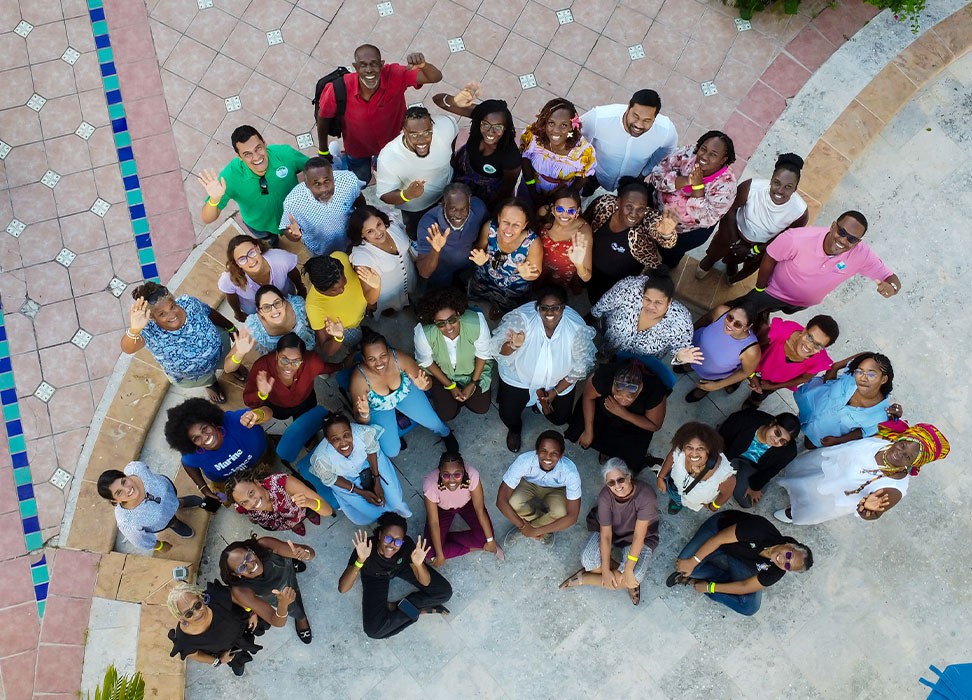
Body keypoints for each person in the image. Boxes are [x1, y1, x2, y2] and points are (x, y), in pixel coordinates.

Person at [775, 422, 949, 524]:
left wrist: (869, 510)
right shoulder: (887, 439)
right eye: (902, 445)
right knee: (801, 475)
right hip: (825, 465)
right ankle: (790, 479)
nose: (900, 453)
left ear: (914, 463)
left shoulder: (895, 488)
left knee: (811, 501)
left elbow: (875, 510)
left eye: (908, 456)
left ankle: (794, 512)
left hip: (831, 496)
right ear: (900, 439)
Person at [490, 286, 596, 453]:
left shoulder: (576, 328)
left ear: (564, 307)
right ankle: (515, 429)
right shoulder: (522, 319)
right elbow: (501, 352)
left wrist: (555, 391)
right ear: (537, 307)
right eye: (544, 308)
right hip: (520, 377)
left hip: (557, 381)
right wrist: (513, 345)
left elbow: (578, 369)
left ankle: (538, 405)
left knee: (561, 418)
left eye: (556, 307)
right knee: (508, 414)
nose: (549, 312)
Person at [316, 45, 442, 184]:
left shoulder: (395, 74)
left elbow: (435, 77)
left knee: (387, 172)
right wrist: (323, 151)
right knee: (361, 179)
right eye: (363, 65)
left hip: (392, 145)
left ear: (382, 64)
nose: (369, 70)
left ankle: (377, 165)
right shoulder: (338, 89)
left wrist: (424, 66)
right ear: (355, 67)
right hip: (357, 149)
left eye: (374, 64)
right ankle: (340, 162)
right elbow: (323, 118)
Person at [742, 210, 902, 314]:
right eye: (842, 232)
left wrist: (892, 287)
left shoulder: (861, 254)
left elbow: (889, 277)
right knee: (743, 311)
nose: (844, 240)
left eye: (852, 239)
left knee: (772, 311)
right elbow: (770, 256)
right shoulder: (796, 238)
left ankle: (767, 313)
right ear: (833, 226)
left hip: (801, 304)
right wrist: (760, 287)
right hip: (773, 292)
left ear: (858, 242)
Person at [667, 511, 813, 616]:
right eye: (789, 555)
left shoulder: (776, 571)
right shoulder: (761, 529)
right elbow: (719, 539)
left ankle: (709, 581)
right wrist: (694, 561)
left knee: (750, 607)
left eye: (788, 565)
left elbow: (745, 587)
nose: (783, 560)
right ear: (789, 544)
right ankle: (711, 576)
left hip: (739, 558)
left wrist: (710, 587)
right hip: (718, 532)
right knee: (685, 566)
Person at [558, 459, 658, 606]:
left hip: (639, 538)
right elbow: (606, 535)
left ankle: (585, 578)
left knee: (635, 576)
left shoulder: (646, 496)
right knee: (588, 560)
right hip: (614, 531)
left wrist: (629, 569)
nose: (617, 486)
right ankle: (620, 577)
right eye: (611, 483)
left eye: (620, 479)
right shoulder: (605, 496)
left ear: (629, 477)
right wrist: (605, 570)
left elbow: (638, 536)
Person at [696, 152, 808, 284]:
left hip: (761, 245)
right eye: (777, 183)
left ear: (795, 188)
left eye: (788, 187)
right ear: (771, 179)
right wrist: (735, 242)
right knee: (717, 250)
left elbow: (784, 239)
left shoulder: (800, 212)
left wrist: (753, 250)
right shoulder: (751, 187)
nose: (780, 191)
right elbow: (730, 210)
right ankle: (711, 260)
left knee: (748, 263)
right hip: (734, 231)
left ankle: (731, 266)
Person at [338, 512, 453, 639]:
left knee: (444, 592)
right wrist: (360, 560)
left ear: (402, 542)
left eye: (398, 542)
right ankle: (418, 610)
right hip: (374, 577)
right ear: (380, 535)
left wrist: (419, 565)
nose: (392, 544)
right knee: (374, 631)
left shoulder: (406, 546)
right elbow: (343, 588)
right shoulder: (365, 548)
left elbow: (425, 582)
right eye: (388, 538)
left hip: (400, 567)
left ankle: (401, 606)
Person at [349, 328, 458, 458]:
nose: (379, 363)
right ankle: (393, 435)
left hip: (405, 393)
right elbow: (360, 419)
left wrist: (424, 386)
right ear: (364, 359)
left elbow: (427, 382)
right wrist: (364, 413)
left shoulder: (398, 358)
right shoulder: (359, 380)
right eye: (371, 359)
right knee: (392, 451)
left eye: (383, 356)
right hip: (379, 408)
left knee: (435, 424)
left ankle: (446, 434)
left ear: (389, 352)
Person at [121, 282, 236, 404]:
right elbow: (127, 348)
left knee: (232, 362)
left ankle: (234, 369)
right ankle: (211, 384)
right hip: (193, 375)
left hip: (220, 350)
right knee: (207, 379)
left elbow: (209, 312)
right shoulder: (148, 330)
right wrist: (134, 330)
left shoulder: (188, 303)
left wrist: (230, 327)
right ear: (152, 317)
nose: (172, 314)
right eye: (162, 314)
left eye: (173, 306)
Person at [198, 125, 308, 242]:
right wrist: (214, 200)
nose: (256, 157)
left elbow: (313, 169)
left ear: (264, 144)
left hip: (294, 216)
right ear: (239, 156)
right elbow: (207, 218)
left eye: (258, 148)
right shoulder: (229, 177)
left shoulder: (285, 154)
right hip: (260, 225)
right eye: (247, 154)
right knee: (270, 240)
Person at [647, 130, 737, 269]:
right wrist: (686, 180)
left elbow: (706, 218)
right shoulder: (688, 153)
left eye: (713, 155)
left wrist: (698, 186)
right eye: (703, 149)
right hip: (654, 210)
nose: (704, 157)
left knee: (670, 255)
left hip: (684, 233)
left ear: (724, 159)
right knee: (647, 238)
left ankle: (665, 268)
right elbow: (657, 174)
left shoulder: (727, 186)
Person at [583, 177, 679, 304]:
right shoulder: (604, 205)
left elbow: (667, 240)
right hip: (591, 267)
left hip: (621, 281)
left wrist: (667, 233)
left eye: (641, 208)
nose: (634, 214)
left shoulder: (648, 218)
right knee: (591, 293)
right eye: (629, 206)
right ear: (618, 202)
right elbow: (585, 221)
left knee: (606, 302)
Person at [565, 359, 668, 472]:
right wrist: (589, 431)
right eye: (618, 395)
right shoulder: (604, 377)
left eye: (629, 397)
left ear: (639, 391)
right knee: (578, 431)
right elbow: (588, 397)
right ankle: (605, 449)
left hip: (634, 423)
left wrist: (623, 413)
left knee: (632, 461)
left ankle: (630, 456)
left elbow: (654, 425)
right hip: (603, 413)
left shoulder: (654, 391)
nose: (622, 401)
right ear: (613, 385)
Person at [309, 413, 412, 524]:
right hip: (344, 476)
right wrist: (361, 492)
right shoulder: (321, 459)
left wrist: (377, 480)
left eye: (346, 435)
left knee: (395, 501)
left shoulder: (363, 433)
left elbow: (372, 451)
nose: (343, 443)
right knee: (373, 513)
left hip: (369, 462)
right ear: (328, 440)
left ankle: (397, 512)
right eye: (335, 439)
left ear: (351, 429)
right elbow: (332, 479)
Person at [433, 84, 521, 208]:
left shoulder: (511, 157)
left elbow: (506, 189)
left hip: (488, 192)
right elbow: (438, 100)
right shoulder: (480, 115)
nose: (490, 132)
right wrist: (454, 100)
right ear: (479, 120)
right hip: (462, 170)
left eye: (498, 127)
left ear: (506, 128)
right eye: (485, 124)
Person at [376, 105, 459, 239]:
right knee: (417, 234)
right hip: (417, 209)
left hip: (447, 191)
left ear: (432, 126)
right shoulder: (388, 157)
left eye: (427, 132)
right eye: (414, 134)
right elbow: (384, 194)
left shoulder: (445, 126)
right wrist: (406, 195)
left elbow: (453, 136)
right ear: (404, 131)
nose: (422, 140)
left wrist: (451, 160)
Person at [164, 398, 269, 500]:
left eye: (204, 428)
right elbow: (187, 463)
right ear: (191, 443)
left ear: (212, 422)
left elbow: (268, 411)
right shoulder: (194, 454)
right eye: (196, 438)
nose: (205, 437)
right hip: (230, 481)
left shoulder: (235, 421)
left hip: (262, 460)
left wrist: (258, 415)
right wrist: (203, 488)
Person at [413, 286, 493, 421]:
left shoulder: (477, 323)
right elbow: (426, 362)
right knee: (446, 415)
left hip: (471, 371)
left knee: (482, 408)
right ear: (434, 321)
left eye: (451, 320)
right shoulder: (423, 333)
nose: (448, 327)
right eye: (441, 324)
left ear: (458, 313)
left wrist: (473, 383)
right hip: (441, 373)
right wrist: (450, 386)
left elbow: (483, 354)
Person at [166, 580, 273, 677]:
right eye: (188, 614)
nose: (197, 613)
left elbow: (234, 597)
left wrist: (250, 611)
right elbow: (194, 655)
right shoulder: (184, 638)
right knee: (238, 669)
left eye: (197, 605)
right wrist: (218, 661)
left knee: (265, 623)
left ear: (200, 597)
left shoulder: (214, 596)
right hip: (231, 651)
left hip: (243, 624)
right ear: (180, 618)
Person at [579, 89, 678, 193]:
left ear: (655, 118)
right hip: (594, 174)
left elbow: (667, 150)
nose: (639, 125)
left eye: (647, 120)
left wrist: (645, 172)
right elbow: (575, 137)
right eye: (635, 116)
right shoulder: (598, 118)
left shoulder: (666, 131)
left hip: (632, 181)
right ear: (628, 108)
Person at [220, 536, 315, 643]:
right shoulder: (241, 590)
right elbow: (276, 621)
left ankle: (292, 564)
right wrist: (283, 605)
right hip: (277, 595)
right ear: (237, 575)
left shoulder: (264, 544)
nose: (251, 564)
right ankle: (300, 617)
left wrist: (306, 553)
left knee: (288, 563)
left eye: (248, 556)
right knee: (292, 606)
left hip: (286, 571)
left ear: (251, 550)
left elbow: (311, 553)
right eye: (242, 567)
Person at [97, 461, 206, 553]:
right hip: (164, 520)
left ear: (125, 475)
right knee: (170, 521)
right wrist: (159, 546)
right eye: (119, 492)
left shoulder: (135, 468)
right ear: (115, 500)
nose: (127, 489)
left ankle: (180, 503)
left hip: (169, 493)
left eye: (124, 481)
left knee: (175, 501)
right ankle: (174, 524)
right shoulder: (127, 521)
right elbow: (139, 540)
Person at [496, 430, 582, 545]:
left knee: (562, 512)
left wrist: (535, 530)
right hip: (529, 484)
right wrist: (522, 526)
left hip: (556, 490)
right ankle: (533, 526)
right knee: (513, 502)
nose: (548, 457)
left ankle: (536, 528)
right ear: (536, 451)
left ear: (561, 455)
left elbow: (572, 517)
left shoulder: (570, 472)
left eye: (554, 453)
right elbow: (501, 501)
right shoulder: (524, 461)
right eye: (543, 451)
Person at [591, 272, 698, 362]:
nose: (651, 306)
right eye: (647, 299)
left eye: (658, 302)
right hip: (608, 344)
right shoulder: (629, 288)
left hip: (639, 364)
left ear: (669, 301)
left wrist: (680, 357)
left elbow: (679, 350)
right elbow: (603, 305)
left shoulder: (681, 322)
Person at [795, 352, 895, 449]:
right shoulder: (852, 375)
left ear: (883, 379)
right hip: (810, 409)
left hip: (820, 432)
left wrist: (839, 440)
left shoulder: (880, 416)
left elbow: (862, 432)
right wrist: (835, 367)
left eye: (871, 374)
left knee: (807, 445)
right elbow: (831, 383)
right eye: (860, 371)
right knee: (791, 425)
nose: (863, 378)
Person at [236, 330, 340, 420]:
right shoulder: (262, 367)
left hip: (306, 402)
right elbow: (248, 400)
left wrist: (342, 365)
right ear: (276, 355)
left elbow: (323, 368)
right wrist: (262, 394)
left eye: (296, 362)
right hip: (278, 408)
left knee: (306, 425)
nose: (289, 367)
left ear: (302, 360)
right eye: (284, 359)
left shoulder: (312, 362)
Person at [743, 314, 838, 409]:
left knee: (760, 395)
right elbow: (751, 348)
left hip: (774, 382)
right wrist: (750, 375)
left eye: (818, 345)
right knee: (739, 375)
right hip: (753, 367)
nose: (809, 346)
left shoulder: (818, 361)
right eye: (809, 337)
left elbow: (804, 379)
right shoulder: (781, 331)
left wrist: (772, 387)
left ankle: (754, 400)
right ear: (804, 331)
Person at [422, 452, 502, 565]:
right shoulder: (430, 484)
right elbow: (434, 522)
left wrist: (490, 541)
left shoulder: (472, 475)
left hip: (468, 505)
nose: (452, 480)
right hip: (442, 510)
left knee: (487, 538)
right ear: (439, 473)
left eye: (457, 475)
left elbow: (479, 510)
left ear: (464, 471)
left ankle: (446, 539)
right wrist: (440, 555)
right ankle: (478, 547)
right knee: (431, 554)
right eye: (446, 475)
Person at [467, 198, 542, 317]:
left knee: (506, 309)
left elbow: (535, 273)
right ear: (498, 219)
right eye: (506, 222)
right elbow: (478, 247)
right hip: (485, 276)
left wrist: (527, 275)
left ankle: (499, 309)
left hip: (511, 289)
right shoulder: (489, 227)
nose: (509, 229)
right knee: (476, 297)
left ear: (525, 225)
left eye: (516, 225)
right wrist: (478, 256)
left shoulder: (533, 243)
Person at [279, 156, 366, 255]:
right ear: (306, 184)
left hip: (351, 240)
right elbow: (288, 230)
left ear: (333, 177)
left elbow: (360, 201)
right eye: (316, 184)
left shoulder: (348, 181)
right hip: (320, 251)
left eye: (327, 181)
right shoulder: (293, 202)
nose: (324, 189)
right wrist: (294, 236)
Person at [519, 97, 596, 207]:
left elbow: (581, 180)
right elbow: (525, 160)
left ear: (571, 126)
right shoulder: (532, 136)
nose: (556, 130)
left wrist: (559, 199)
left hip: (563, 196)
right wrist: (533, 192)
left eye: (563, 125)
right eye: (551, 123)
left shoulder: (584, 152)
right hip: (530, 185)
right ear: (544, 122)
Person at [718, 409, 800, 508]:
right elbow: (722, 436)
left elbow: (770, 471)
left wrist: (755, 487)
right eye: (777, 433)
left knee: (746, 501)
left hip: (753, 465)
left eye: (782, 441)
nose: (776, 440)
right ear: (772, 423)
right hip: (729, 451)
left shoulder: (788, 452)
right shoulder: (745, 419)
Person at [683, 300, 760, 403]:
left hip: (713, 374)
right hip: (693, 351)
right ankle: (689, 366)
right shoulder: (721, 312)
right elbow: (704, 321)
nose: (730, 324)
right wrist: (687, 339)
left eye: (738, 324)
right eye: (730, 317)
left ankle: (703, 389)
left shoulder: (751, 350)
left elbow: (745, 372)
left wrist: (717, 386)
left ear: (747, 327)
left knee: (706, 384)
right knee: (688, 363)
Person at [415, 183, 488, 290]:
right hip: (441, 273)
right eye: (453, 208)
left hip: (469, 267)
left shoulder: (479, 209)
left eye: (464, 208)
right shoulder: (429, 224)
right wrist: (436, 249)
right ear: (443, 204)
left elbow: (490, 232)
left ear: (469, 203)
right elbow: (424, 273)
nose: (459, 215)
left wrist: (482, 254)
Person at [303, 253, 378, 354]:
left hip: (366, 305)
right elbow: (327, 350)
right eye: (335, 290)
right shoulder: (313, 307)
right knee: (357, 339)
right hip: (349, 329)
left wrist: (371, 302)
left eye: (344, 283)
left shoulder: (340, 257)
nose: (342, 290)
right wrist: (338, 336)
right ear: (319, 289)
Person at [347, 205, 416, 314]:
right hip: (387, 294)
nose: (378, 232)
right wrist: (375, 286)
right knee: (391, 310)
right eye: (370, 231)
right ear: (361, 235)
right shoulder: (361, 256)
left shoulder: (393, 226)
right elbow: (370, 299)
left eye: (379, 224)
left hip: (410, 277)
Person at [218, 235, 304, 322]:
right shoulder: (229, 279)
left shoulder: (280, 259)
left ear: (258, 248)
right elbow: (230, 294)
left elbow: (292, 271)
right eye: (242, 259)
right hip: (253, 308)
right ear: (237, 264)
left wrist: (301, 288)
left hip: (285, 295)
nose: (251, 261)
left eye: (252, 253)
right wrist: (237, 312)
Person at [655, 421, 735, 514]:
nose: (693, 454)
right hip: (675, 486)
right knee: (675, 495)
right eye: (689, 447)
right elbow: (671, 457)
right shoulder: (680, 450)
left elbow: (725, 495)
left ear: (710, 449)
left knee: (687, 501)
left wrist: (713, 506)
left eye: (700, 448)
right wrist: (661, 477)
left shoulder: (724, 476)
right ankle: (677, 502)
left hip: (693, 501)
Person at [227, 471, 332, 536]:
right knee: (293, 524)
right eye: (244, 502)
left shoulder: (283, 483)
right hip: (279, 523)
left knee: (309, 510)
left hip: (301, 509)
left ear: (257, 483)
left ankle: (309, 513)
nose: (253, 502)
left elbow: (328, 511)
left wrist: (310, 503)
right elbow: (240, 510)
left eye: (251, 492)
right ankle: (294, 526)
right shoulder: (240, 507)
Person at [535, 188, 593, 294]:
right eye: (560, 209)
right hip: (539, 267)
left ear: (577, 212)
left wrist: (579, 265)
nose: (564, 215)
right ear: (553, 209)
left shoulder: (583, 232)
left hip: (562, 277)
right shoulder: (544, 213)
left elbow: (587, 277)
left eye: (571, 211)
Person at [242, 284, 316, 354]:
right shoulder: (254, 327)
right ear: (260, 312)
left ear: (284, 302)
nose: (274, 311)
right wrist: (239, 353)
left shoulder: (298, 306)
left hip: (309, 353)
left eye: (277, 303)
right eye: (266, 307)